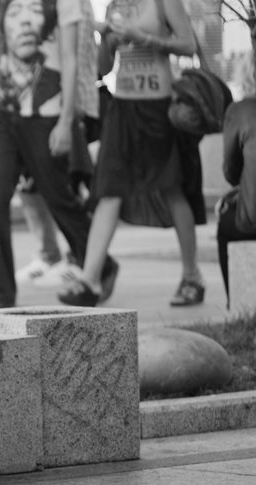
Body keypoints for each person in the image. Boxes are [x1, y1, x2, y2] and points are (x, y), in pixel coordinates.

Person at [58, 0, 205, 307]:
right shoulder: (114, 6)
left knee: (171, 189)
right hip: (122, 109)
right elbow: (104, 67)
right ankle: (90, 280)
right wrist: (108, 41)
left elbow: (189, 44)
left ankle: (192, 276)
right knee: (108, 191)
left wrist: (144, 37)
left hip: (157, 108)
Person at [0, 0, 116, 308]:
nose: (25, 20)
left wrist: (67, 121)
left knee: (58, 197)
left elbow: (70, 57)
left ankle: (101, 264)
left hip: (48, 114)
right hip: (2, 112)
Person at [216, 55, 256, 309]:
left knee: (227, 222)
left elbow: (231, 171)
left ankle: (238, 305)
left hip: (251, 220)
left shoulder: (240, 111)